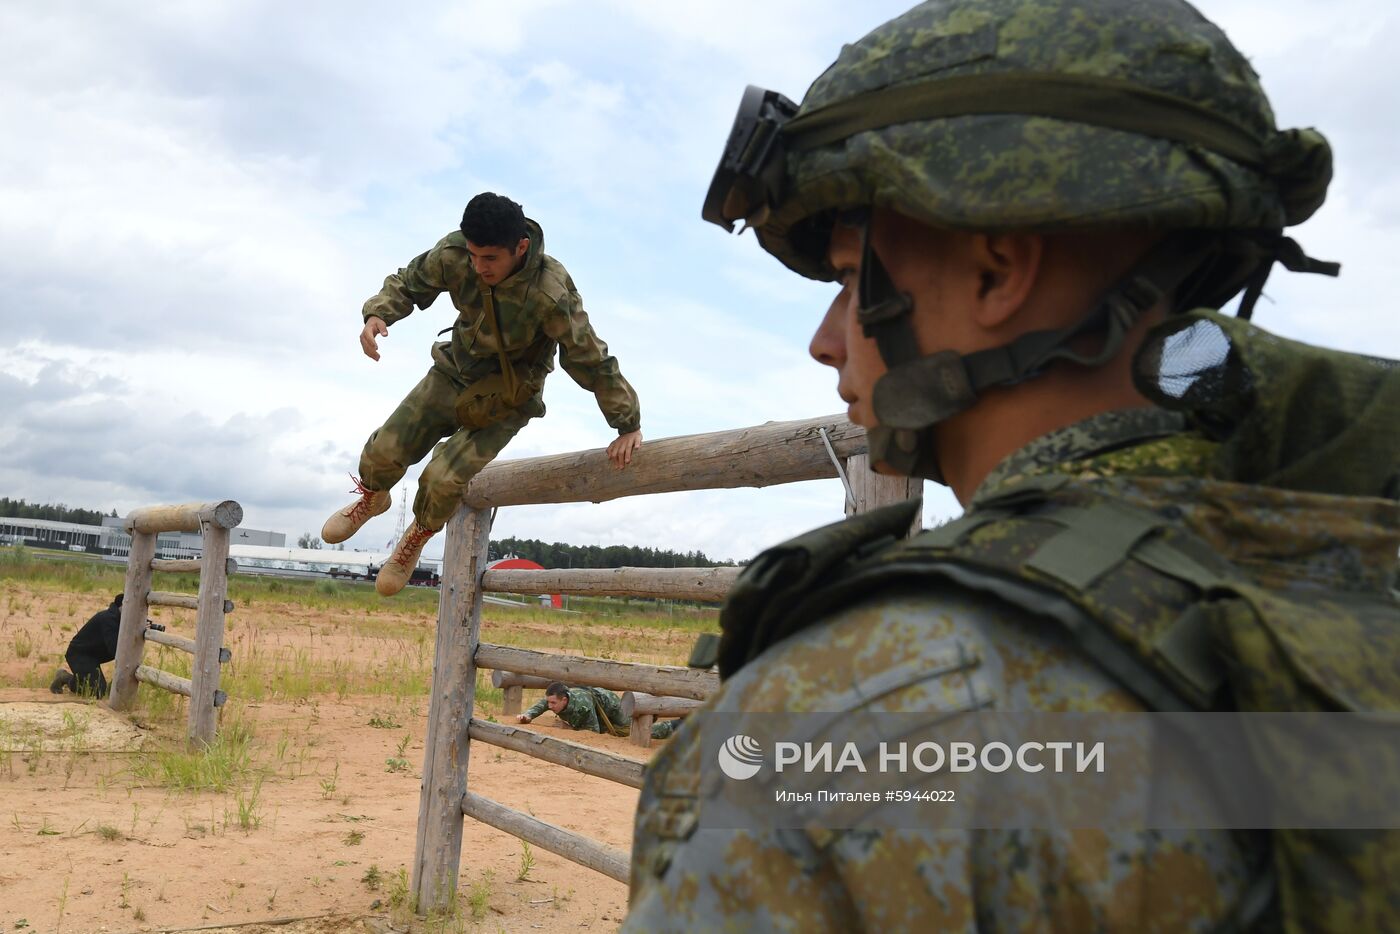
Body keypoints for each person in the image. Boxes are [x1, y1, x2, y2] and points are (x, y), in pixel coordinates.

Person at [624, 0, 1399, 930]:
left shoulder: (852, 719)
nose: (824, 343)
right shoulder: (1335, 564)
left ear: (996, 273)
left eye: (844, 279)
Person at [322, 192, 644, 595]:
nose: (479, 266)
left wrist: (626, 422)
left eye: (490, 258)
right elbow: (411, 280)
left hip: (507, 398)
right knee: (384, 450)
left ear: (520, 247)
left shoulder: (550, 291)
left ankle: (417, 535)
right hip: (454, 370)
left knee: (442, 478)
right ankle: (372, 498)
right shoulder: (458, 253)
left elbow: (589, 356)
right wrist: (378, 314)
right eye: (474, 255)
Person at [518, 681, 677, 741]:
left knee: (631, 730)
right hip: (596, 708)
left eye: (553, 703)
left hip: (611, 707)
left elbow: (594, 731)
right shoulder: (555, 699)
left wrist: (569, 728)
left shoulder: (582, 706)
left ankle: (671, 726)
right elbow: (540, 705)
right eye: (549, 702)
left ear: (564, 700)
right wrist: (528, 715)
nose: (550, 706)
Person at [49, 593, 137, 697]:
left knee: (98, 689)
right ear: (122, 607)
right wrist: (133, 632)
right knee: (98, 691)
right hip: (79, 654)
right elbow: (114, 650)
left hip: (92, 656)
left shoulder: (118, 620)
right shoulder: (109, 619)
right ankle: (64, 677)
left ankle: (93, 684)